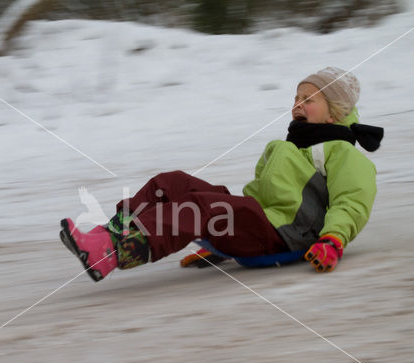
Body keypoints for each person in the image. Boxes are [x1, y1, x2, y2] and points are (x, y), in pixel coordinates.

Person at [60, 67, 383, 282]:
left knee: (202, 207)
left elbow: (352, 202)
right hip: (258, 220)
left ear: (334, 113)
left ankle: (115, 252)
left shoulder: (342, 154)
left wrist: (334, 240)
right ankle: (110, 233)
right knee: (172, 183)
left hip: (284, 234)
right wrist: (218, 240)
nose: (297, 104)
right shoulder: (287, 147)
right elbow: (259, 197)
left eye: (308, 99)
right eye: (296, 98)